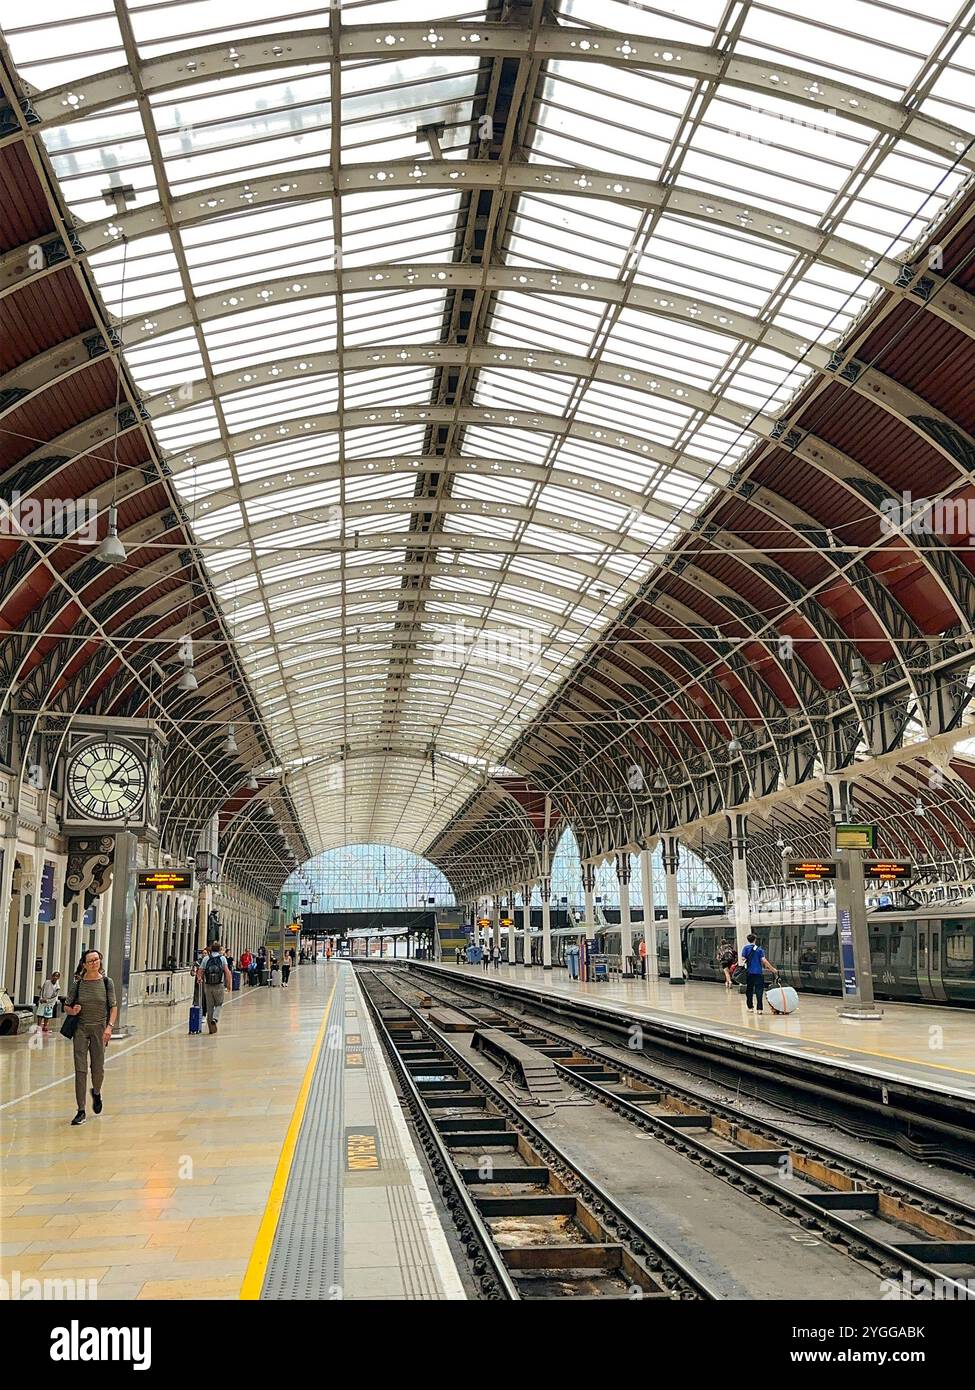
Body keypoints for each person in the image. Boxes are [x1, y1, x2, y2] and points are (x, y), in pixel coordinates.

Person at [63, 949, 117, 1126]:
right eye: (91, 961)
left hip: (100, 1029)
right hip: (80, 1029)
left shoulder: (107, 982)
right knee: (80, 1069)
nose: (94, 963)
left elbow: (113, 1007)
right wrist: (72, 1010)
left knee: (98, 1068)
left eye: (97, 959)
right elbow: (67, 1006)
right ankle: (81, 1110)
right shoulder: (78, 984)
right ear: (84, 965)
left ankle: (97, 1092)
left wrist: (109, 1027)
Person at [196, 941, 232, 1035]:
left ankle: (211, 1029)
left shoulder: (206, 959)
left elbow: (200, 971)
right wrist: (228, 985)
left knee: (209, 1006)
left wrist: (199, 978)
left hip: (208, 985)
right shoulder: (223, 958)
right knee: (219, 1004)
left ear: (211, 950)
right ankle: (215, 1019)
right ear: (220, 949)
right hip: (219, 985)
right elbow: (227, 973)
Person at [740, 934, 776, 1013]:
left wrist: (747, 959)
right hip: (758, 973)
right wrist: (773, 969)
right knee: (759, 991)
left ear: (748, 940)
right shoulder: (759, 950)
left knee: (749, 990)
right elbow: (764, 961)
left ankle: (750, 1007)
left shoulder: (745, 948)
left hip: (749, 973)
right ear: (755, 940)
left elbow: (743, 958)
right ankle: (759, 1009)